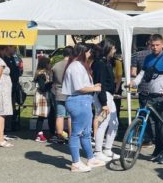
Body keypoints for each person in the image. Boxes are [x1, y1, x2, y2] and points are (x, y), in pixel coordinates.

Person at [132, 34, 163, 164]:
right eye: (152, 45)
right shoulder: (148, 58)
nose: (154, 47)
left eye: (157, 45)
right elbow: (142, 73)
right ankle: (158, 150)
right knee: (154, 125)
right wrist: (134, 83)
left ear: (162, 45)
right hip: (151, 96)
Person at [62, 43, 105, 173]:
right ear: (82, 52)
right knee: (76, 133)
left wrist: (92, 86)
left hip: (83, 101)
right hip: (78, 101)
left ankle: (91, 158)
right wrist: (95, 88)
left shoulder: (78, 65)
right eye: (88, 52)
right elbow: (79, 87)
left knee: (86, 133)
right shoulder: (76, 66)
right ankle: (76, 162)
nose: (90, 54)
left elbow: (82, 85)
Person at [92, 39, 120, 162]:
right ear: (108, 48)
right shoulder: (100, 64)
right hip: (103, 96)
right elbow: (100, 84)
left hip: (108, 95)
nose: (114, 50)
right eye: (113, 48)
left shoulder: (106, 62)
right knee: (103, 123)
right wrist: (103, 103)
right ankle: (98, 151)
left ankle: (107, 148)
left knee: (114, 122)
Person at [50, 46, 72, 143]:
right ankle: (72, 136)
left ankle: (59, 136)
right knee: (71, 116)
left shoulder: (56, 65)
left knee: (59, 115)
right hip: (70, 93)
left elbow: (52, 79)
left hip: (58, 92)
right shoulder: (73, 65)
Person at [33, 56, 52, 141]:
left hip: (44, 95)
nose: (50, 65)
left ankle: (40, 133)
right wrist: (50, 84)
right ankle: (39, 133)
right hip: (41, 96)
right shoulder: (41, 74)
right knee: (41, 115)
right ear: (45, 64)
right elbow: (42, 87)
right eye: (49, 63)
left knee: (44, 114)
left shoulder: (45, 73)